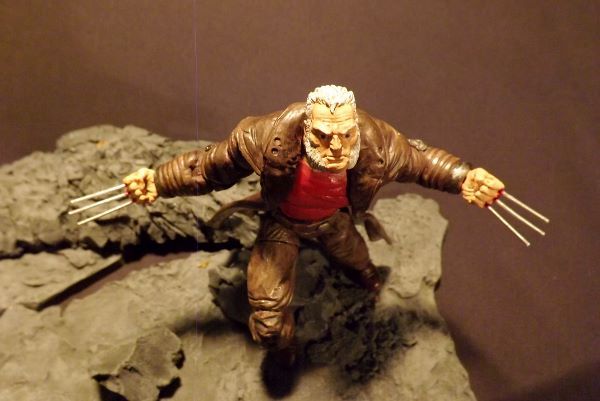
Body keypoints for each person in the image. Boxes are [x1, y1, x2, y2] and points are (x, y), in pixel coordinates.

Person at [123, 85, 504, 356]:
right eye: (323, 137)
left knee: (358, 260)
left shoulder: (379, 144)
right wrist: (158, 181)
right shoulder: (262, 136)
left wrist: (464, 177)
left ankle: (366, 277)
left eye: (346, 136)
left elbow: (422, 162)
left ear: (355, 129)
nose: (336, 148)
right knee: (266, 317)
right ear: (306, 129)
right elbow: (208, 167)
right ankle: (283, 346)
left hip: (334, 221)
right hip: (281, 223)